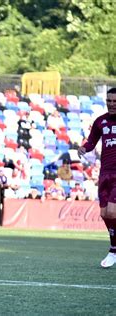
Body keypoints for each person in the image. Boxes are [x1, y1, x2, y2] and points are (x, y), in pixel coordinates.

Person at [78, 87, 116, 268]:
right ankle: (114, 248)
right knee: (104, 213)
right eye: (109, 101)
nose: (112, 104)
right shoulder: (100, 121)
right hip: (105, 173)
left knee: (112, 211)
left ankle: (114, 250)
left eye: (115, 101)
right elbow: (92, 142)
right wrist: (84, 148)